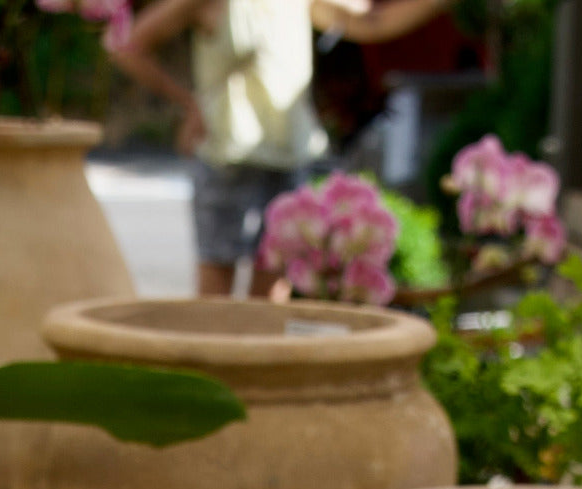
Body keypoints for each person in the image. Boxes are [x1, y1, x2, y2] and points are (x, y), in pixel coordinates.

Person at [109, 0, 459, 295]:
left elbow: (371, 21)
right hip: (228, 154)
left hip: (291, 153)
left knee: (275, 282)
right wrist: (189, 104)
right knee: (216, 287)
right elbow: (125, 44)